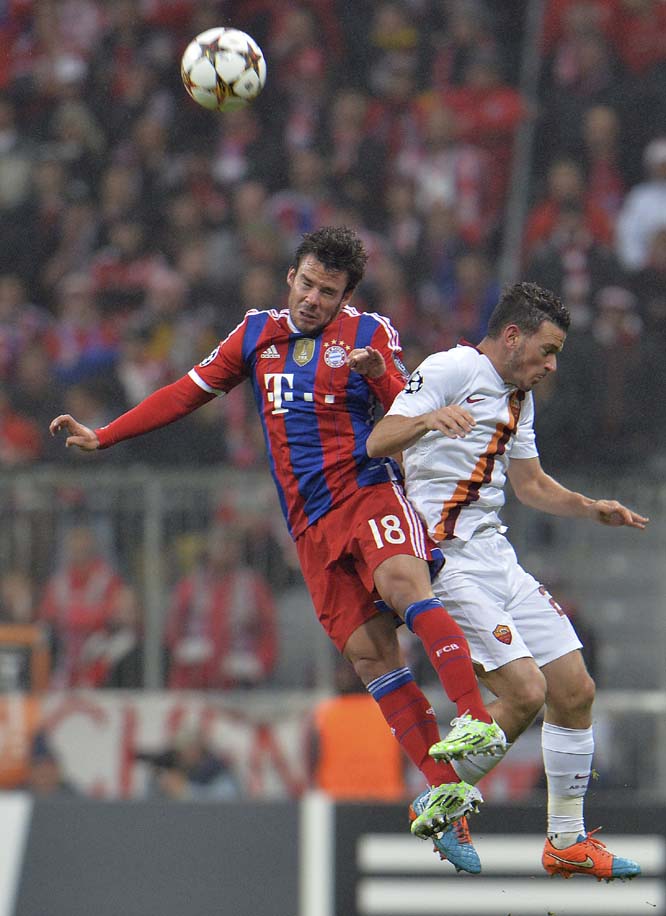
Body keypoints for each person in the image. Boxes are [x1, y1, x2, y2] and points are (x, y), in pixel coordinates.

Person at [50, 225, 506, 865]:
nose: (314, 299)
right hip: (307, 523)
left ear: (348, 295)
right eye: (308, 283)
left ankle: (473, 714)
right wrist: (108, 434)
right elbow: (186, 391)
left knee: (405, 590)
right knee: (372, 660)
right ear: (291, 276)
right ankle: (446, 800)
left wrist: (380, 379)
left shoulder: (371, 334)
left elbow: (406, 408)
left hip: (367, 490)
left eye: (330, 291)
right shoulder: (254, 335)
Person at [367, 280, 648, 880]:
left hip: (498, 558)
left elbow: (531, 485)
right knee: (525, 692)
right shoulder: (451, 367)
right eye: (547, 351)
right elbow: (378, 440)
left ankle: (566, 841)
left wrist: (589, 505)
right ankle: (440, 795)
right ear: (513, 336)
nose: (551, 365)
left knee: (574, 689)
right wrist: (426, 421)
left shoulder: (519, 398)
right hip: (445, 561)